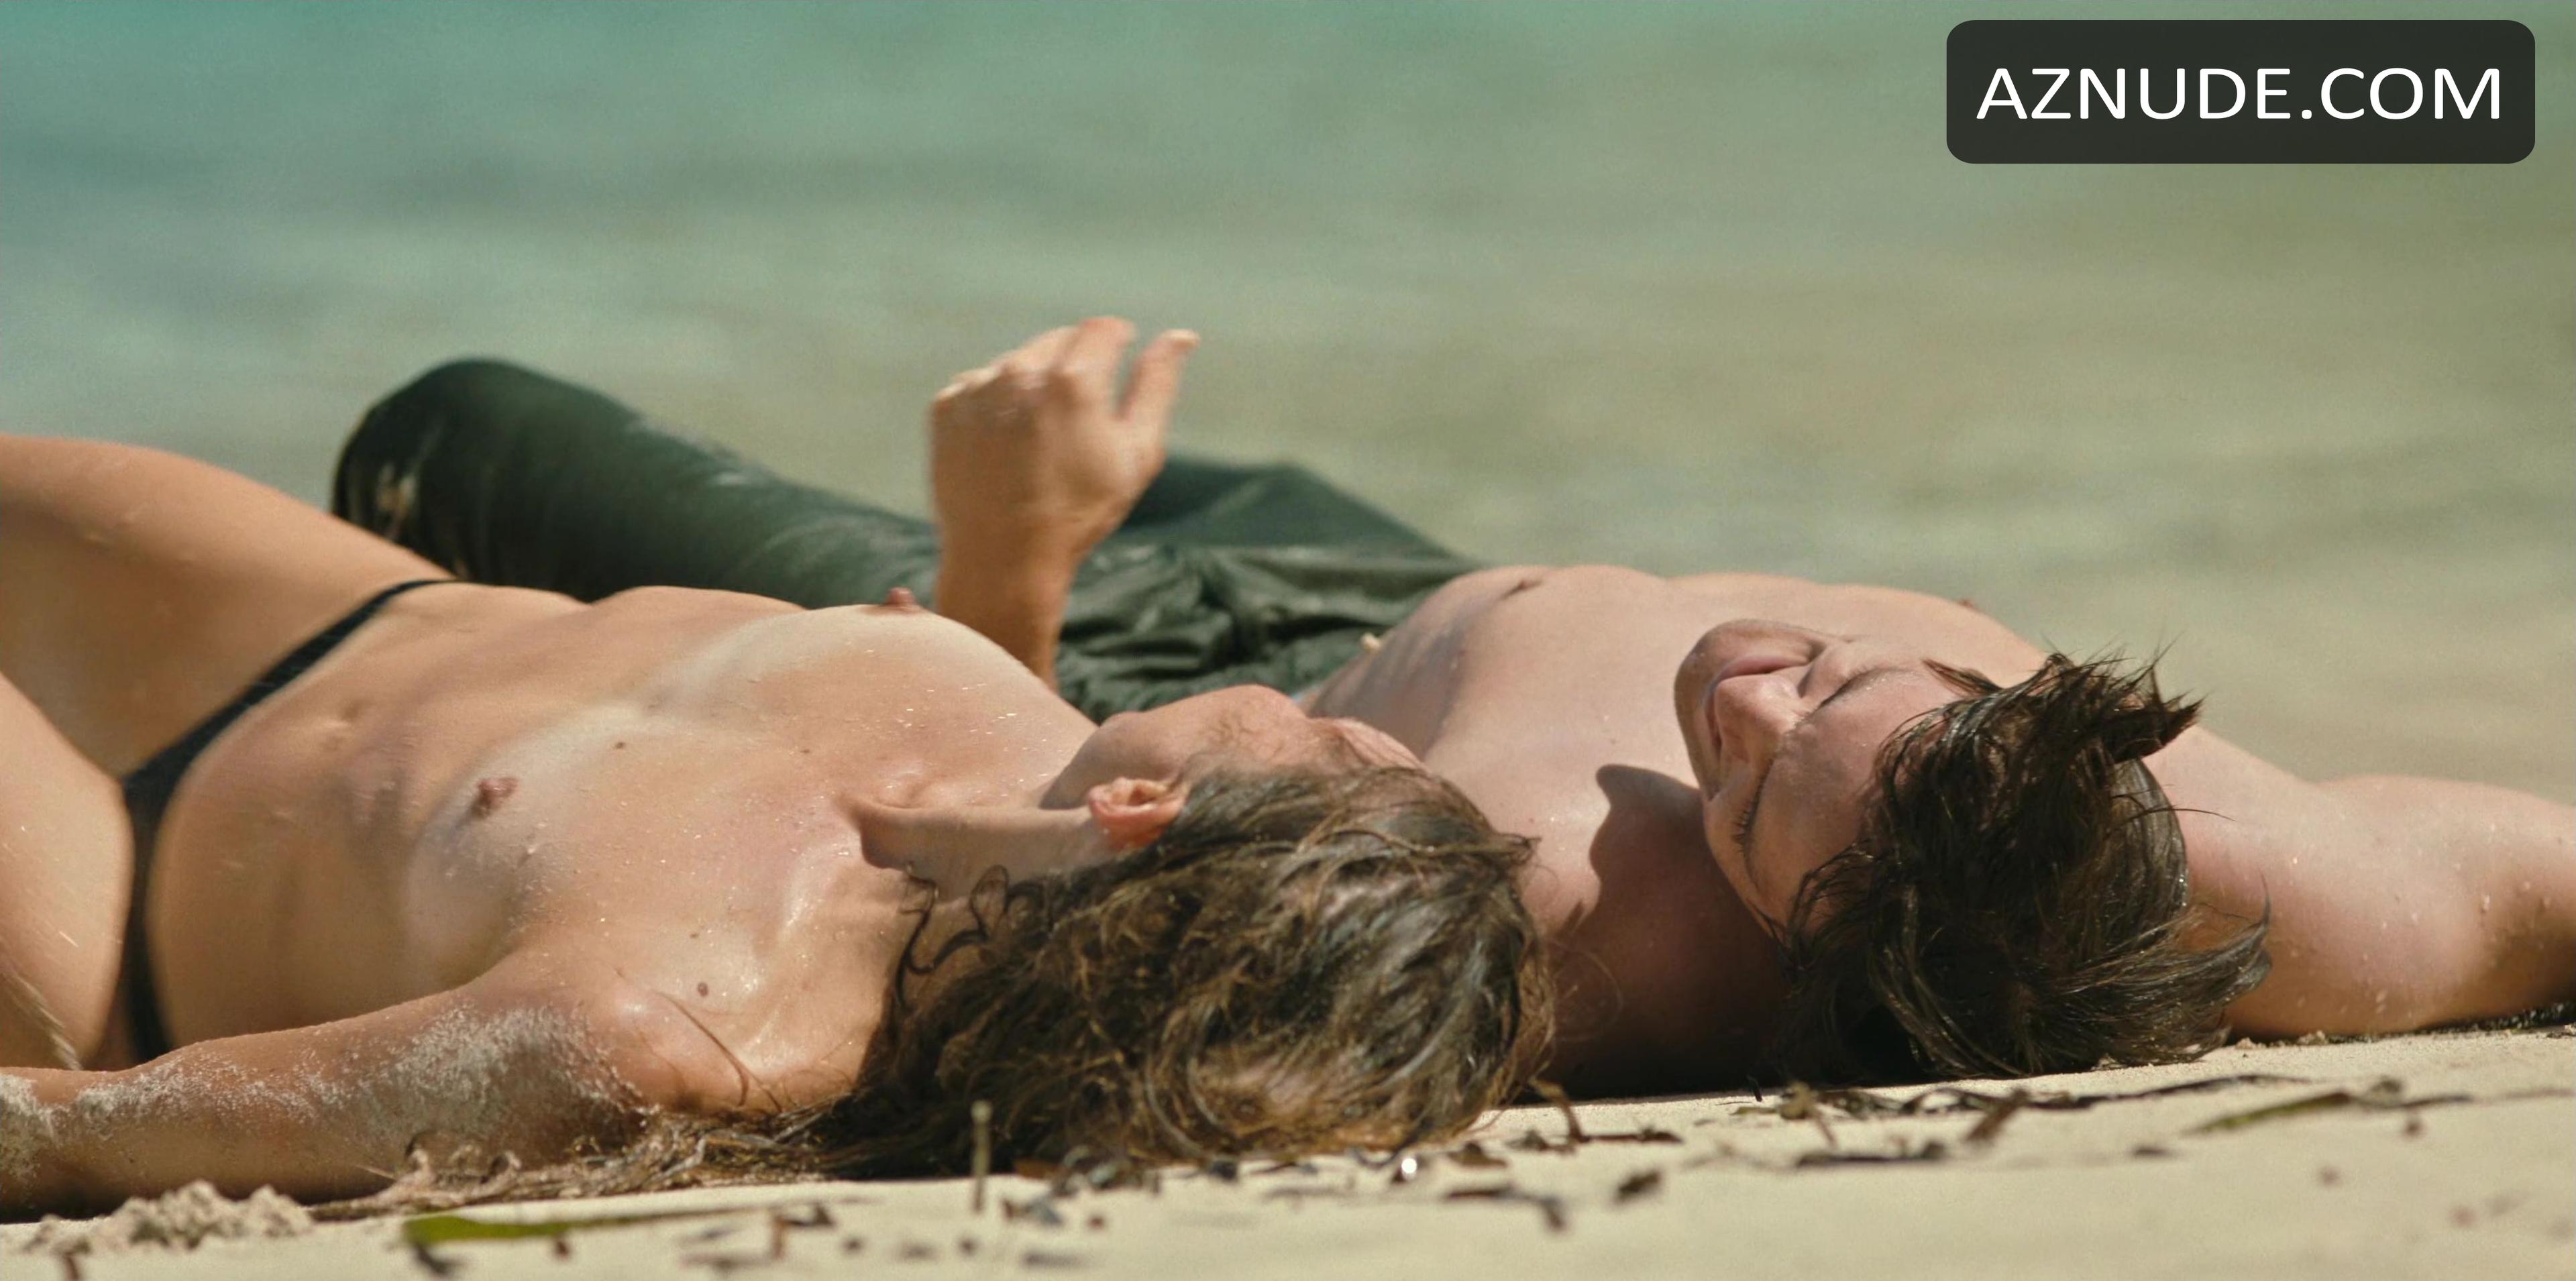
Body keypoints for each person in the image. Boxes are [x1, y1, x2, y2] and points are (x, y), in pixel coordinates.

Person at [337, 319, 2576, 1097]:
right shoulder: (2279, 881)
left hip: (1131, 677)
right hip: (1386, 563)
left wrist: (1008, 570)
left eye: (1745, 789)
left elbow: (1003, 896)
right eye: (1838, 667)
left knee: (459, 436)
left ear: (1792, 942)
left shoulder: (1556, 932)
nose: (1741, 687)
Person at [0, 331, 1552, 1217]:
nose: (1340, 712)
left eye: (1342, 747)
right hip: (337, 615)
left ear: (1144, 820)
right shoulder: (1036, 755)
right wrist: (1015, 546)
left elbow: (88, 1127)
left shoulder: (663, 1025)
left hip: (115, 890)